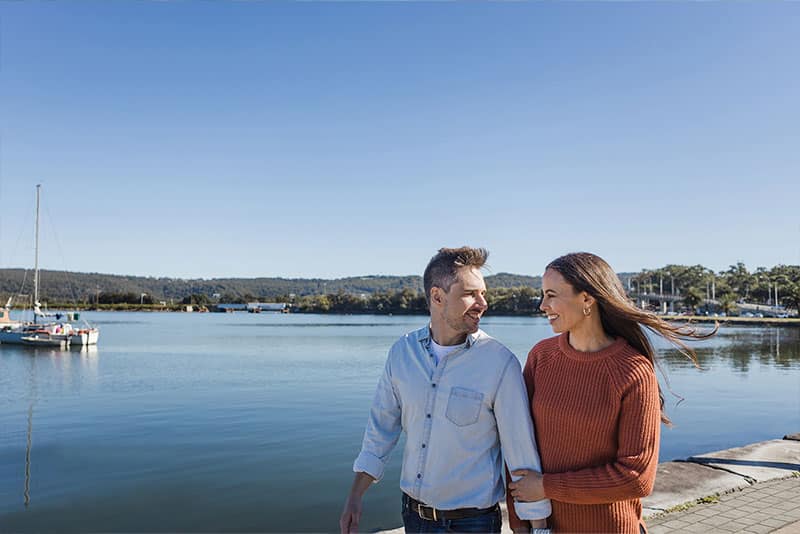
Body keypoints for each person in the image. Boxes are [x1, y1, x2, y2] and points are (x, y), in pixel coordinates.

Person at [340, 246, 551, 534]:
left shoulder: (499, 363)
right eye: (470, 294)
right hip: (413, 517)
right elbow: (380, 430)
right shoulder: (402, 353)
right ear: (438, 297)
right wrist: (355, 495)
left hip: (472, 524)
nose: (483, 303)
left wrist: (538, 526)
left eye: (483, 293)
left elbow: (521, 455)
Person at [507, 252, 715, 533]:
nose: (542, 305)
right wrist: (520, 523)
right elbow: (516, 444)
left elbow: (636, 478)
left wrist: (545, 486)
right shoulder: (541, 357)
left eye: (551, 295)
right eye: (543, 295)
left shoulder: (632, 370)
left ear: (587, 298)